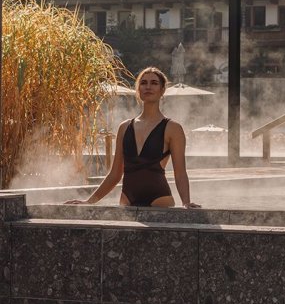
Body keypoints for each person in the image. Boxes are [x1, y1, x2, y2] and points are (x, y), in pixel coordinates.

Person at [66, 67, 201, 208]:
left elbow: (179, 172)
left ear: (162, 90)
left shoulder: (172, 128)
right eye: (143, 83)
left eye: (154, 83)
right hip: (127, 198)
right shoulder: (124, 127)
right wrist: (89, 201)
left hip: (159, 198)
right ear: (138, 89)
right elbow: (115, 174)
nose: (148, 87)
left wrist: (186, 202)